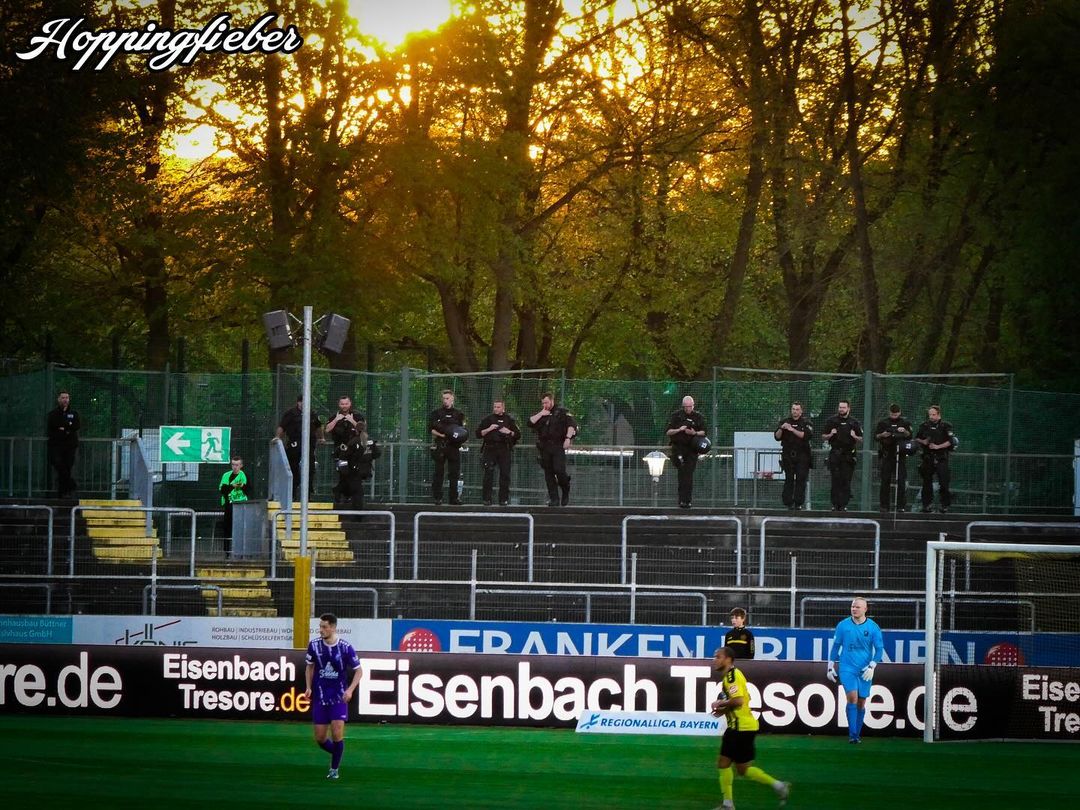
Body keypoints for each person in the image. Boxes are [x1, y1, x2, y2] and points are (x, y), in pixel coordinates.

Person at [711, 646, 790, 809]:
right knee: (743, 769)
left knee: (723, 763)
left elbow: (739, 700)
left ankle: (728, 804)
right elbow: (742, 701)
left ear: (728, 659)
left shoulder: (731, 676)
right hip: (747, 727)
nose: (715, 660)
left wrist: (720, 703)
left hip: (738, 728)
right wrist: (723, 710)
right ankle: (779, 786)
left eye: (718, 657)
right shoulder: (735, 675)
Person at [304, 613, 363, 780]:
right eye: (320, 626)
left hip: (338, 698)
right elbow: (309, 667)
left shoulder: (345, 647)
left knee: (337, 734)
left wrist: (350, 690)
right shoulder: (314, 645)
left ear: (333, 628)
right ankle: (338, 752)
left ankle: (334, 769)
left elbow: (359, 671)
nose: (321, 630)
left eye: (324, 627)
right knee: (320, 738)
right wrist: (308, 687)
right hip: (320, 697)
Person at [826, 596, 884, 744]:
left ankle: (856, 734)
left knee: (862, 702)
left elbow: (879, 649)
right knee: (852, 697)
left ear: (865, 609)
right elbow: (836, 646)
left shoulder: (873, 627)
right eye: (852, 606)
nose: (854, 609)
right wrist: (830, 666)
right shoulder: (843, 625)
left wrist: (872, 665)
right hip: (847, 667)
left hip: (865, 669)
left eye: (857, 607)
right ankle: (852, 735)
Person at [529, 392, 577, 506]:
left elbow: (572, 425)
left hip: (558, 446)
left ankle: (565, 488)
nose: (545, 405)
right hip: (545, 447)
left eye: (546, 402)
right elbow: (530, 422)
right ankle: (554, 499)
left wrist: (568, 438)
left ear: (552, 401)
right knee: (549, 474)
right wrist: (541, 413)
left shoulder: (562, 412)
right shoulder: (541, 414)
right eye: (543, 403)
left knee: (559, 470)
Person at [476, 399, 521, 506]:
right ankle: (487, 499)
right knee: (488, 474)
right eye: (495, 407)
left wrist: (509, 432)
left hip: (504, 449)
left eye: (498, 407)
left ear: (503, 408)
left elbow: (518, 434)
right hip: (490, 449)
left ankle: (503, 499)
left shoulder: (509, 420)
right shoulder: (488, 419)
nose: (496, 409)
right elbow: (478, 434)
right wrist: (489, 429)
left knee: (505, 474)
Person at [275, 395, 321, 499]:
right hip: (295, 443)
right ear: (298, 402)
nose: (304, 404)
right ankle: (292, 494)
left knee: (310, 468)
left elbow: (318, 427)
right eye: (302, 402)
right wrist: (277, 438)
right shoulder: (291, 413)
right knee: (293, 468)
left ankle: (308, 494)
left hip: (309, 444)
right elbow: (282, 426)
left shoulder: (312, 414)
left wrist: (321, 438)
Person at [326, 395, 367, 510]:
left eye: (346, 403)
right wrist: (336, 420)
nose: (344, 406)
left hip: (354, 451)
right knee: (343, 472)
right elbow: (327, 429)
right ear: (339, 405)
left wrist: (351, 420)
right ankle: (342, 493)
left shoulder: (357, 415)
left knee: (353, 473)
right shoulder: (334, 416)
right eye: (342, 404)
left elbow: (363, 429)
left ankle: (344, 493)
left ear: (350, 404)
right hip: (340, 450)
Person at [665, 395, 707, 508]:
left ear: (693, 406)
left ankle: (687, 500)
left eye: (690, 406)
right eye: (686, 407)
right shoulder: (676, 416)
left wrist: (694, 433)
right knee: (682, 473)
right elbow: (668, 432)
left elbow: (704, 432)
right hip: (678, 448)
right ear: (683, 406)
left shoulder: (698, 417)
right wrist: (679, 429)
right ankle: (681, 500)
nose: (688, 409)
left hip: (692, 449)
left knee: (688, 474)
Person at [428, 390, 467, 505]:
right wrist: (442, 435)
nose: (445, 401)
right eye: (444, 398)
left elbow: (462, 431)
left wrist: (458, 438)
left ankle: (454, 498)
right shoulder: (436, 413)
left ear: (452, 399)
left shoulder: (458, 414)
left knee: (454, 473)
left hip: (454, 446)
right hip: (441, 445)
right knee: (438, 472)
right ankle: (437, 497)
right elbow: (431, 430)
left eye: (447, 398)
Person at [822, 400, 862, 511]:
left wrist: (854, 436)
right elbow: (823, 436)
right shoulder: (831, 421)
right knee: (835, 479)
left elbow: (861, 439)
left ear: (848, 408)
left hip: (848, 454)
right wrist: (831, 434)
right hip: (835, 453)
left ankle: (844, 504)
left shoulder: (854, 422)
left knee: (846, 479)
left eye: (844, 407)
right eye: (840, 407)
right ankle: (835, 504)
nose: (841, 409)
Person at [915, 404, 956, 513]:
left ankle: (944, 505)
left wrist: (938, 446)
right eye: (930, 415)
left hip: (941, 457)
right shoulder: (924, 425)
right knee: (926, 482)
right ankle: (926, 505)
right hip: (928, 457)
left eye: (933, 414)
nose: (931, 417)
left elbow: (950, 441)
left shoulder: (945, 426)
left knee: (943, 482)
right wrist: (924, 441)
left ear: (938, 414)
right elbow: (917, 438)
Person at [774, 402, 813, 510]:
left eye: (797, 409)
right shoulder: (785, 421)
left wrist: (792, 430)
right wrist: (781, 428)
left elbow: (806, 435)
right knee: (789, 479)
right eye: (793, 409)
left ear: (801, 411)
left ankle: (798, 503)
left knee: (801, 479)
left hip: (802, 455)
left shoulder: (806, 422)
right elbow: (777, 437)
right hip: (788, 455)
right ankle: (788, 502)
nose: (795, 411)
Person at [874, 404, 912, 512]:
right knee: (885, 480)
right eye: (892, 414)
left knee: (901, 481)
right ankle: (884, 505)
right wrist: (883, 435)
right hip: (887, 454)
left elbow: (910, 436)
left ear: (899, 412)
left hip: (900, 455)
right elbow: (875, 437)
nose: (894, 416)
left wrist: (904, 431)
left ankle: (901, 506)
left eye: (896, 414)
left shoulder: (905, 423)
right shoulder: (883, 423)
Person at [46, 390, 81, 498]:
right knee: (59, 465)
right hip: (57, 445)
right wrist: (66, 427)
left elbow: (75, 426)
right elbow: (53, 426)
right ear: (58, 399)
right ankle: (71, 485)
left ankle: (63, 492)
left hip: (70, 445)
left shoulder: (74, 413)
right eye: (63, 398)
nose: (65, 400)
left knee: (67, 466)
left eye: (67, 398)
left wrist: (64, 428)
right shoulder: (53, 414)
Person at [218, 456, 249, 556]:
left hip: (241, 505)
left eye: (237, 465)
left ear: (241, 465)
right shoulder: (226, 475)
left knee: (240, 528)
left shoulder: (244, 476)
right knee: (227, 528)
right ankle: (227, 552)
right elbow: (222, 490)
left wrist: (242, 486)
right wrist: (232, 486)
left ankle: (241, 551)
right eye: (233, 465)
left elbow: (248, 489)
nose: (235, 467)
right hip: (229, 504)